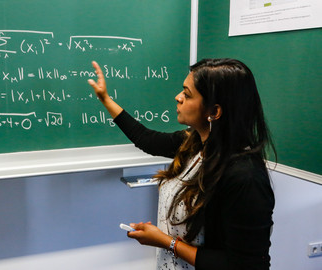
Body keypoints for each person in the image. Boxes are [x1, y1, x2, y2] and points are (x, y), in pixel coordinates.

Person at [88, 59, 275, 269]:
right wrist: (105, 99)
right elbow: (146, 139)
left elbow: (244, 265)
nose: (178, 97)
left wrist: (166, 241)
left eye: (187, 94)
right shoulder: (195, 143)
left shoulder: (245, 176)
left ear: (214, 112)